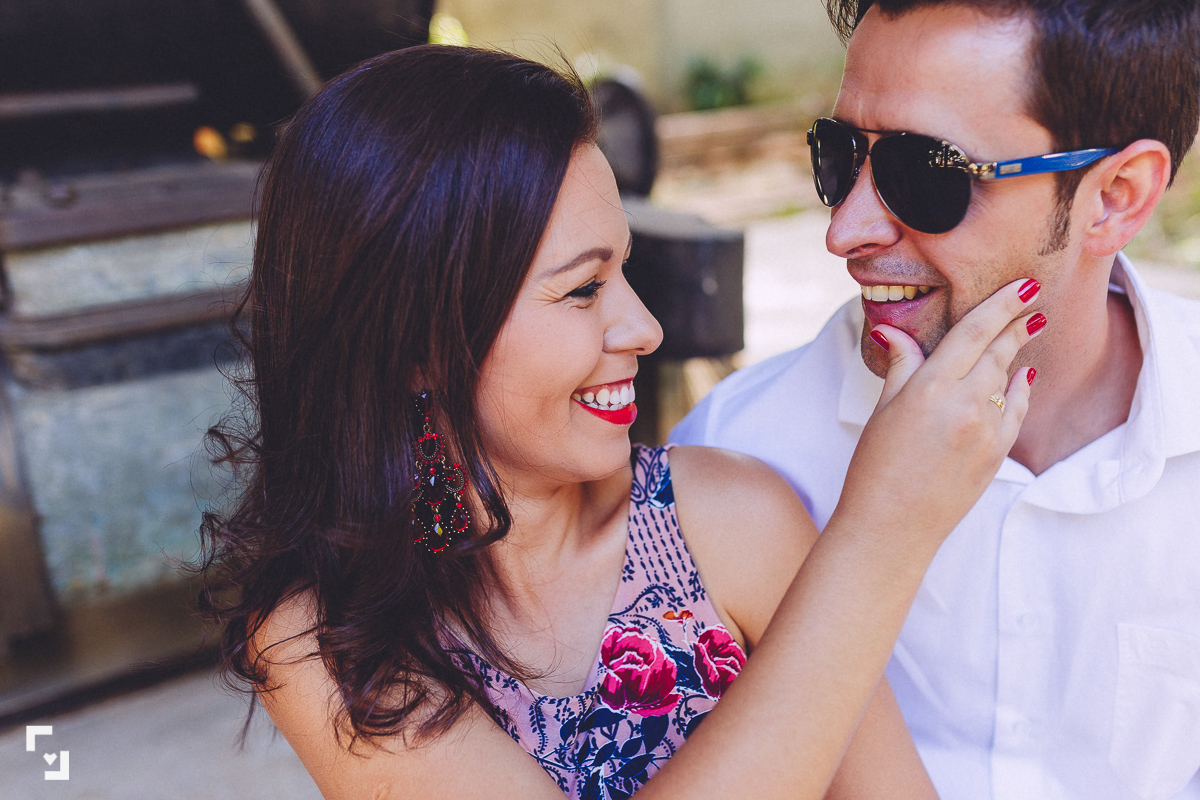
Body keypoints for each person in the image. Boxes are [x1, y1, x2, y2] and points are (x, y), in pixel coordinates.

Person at [196, 45, 1042, 800]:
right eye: (582, 289)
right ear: (416, 339)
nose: (645, 329)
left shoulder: (727, 520)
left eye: (623, 271)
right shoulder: (328, 637)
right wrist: (883, 533)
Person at [672, 1, 1200, 798]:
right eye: (841, 155)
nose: (845, 231)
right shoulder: (733, 453)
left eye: (927, 175)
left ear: (1117, 197)